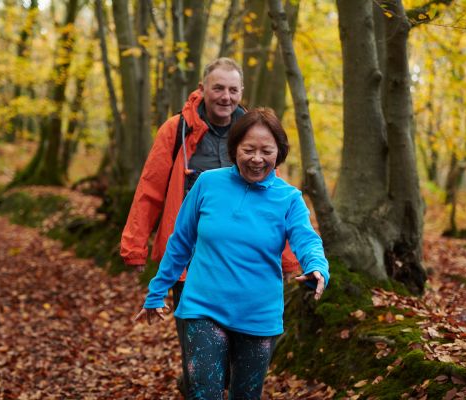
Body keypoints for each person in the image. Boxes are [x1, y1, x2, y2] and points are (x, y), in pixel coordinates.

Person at [121, 57, 298, 394]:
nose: (225, 97)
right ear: (202, 89)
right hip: (192, 266)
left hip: (243, 267)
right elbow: (150, 189)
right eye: (218, 88)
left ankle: (195, 384)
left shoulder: (253, 134)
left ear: (241, 91)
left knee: (230, 369)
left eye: (233, 90)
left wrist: (289, 259)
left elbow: (275, 202)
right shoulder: (176, 130)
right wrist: (134, 247)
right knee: (201, 361)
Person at [134, 108, 329, 399]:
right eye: (248, 149)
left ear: (279, 152)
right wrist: (157, 291)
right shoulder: (207, 183)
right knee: (203, 392)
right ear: (234, 148)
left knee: (245, 394)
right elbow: (180, 242)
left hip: (258, 315)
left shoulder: (289, 198)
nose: (257, 158)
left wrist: (316, 266)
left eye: (266, 151)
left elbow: (305, 238)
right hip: (203, 307)